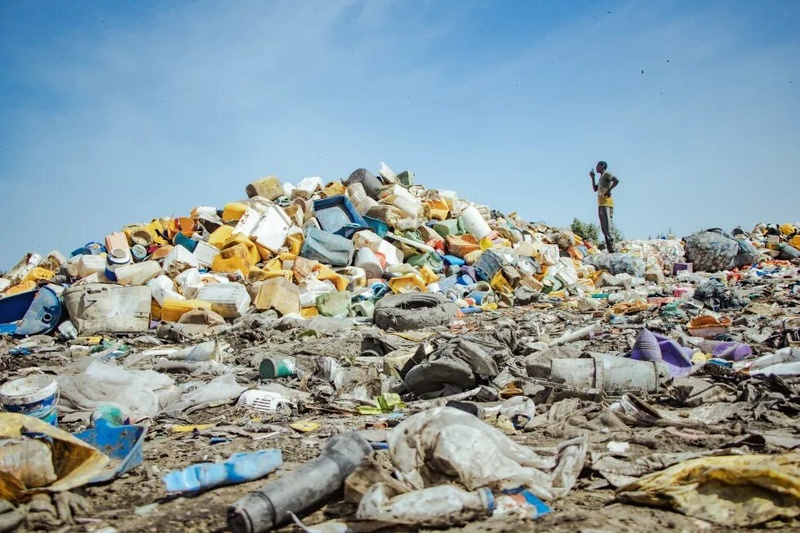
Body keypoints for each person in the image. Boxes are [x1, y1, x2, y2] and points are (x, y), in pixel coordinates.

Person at [589, 160, 620, 252]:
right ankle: (610, 248)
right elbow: (595, 189)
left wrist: (609, 190)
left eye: (598, 166)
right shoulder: (601, 178)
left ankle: (613, 248)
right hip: (601, 204)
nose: (596, 168)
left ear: (602, 166)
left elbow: (616, 180)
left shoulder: (607, 174)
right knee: (604, 228)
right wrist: (593, 178)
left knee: (608, 227)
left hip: (607, 204)